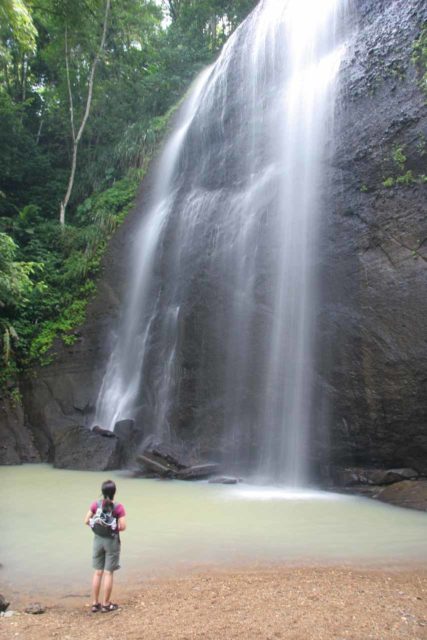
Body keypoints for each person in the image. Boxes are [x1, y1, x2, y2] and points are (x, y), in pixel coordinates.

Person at [84, 479, 127, 613]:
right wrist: (112, 526)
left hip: (98, 541)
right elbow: (123, 527)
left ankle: (95, 603)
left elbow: (86, 521)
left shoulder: (95, 505)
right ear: (114, 492)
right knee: (108, 573)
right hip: (111, 542)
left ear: (102, 492)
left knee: (97, 573)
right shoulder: (118, 507)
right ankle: (106, 604)